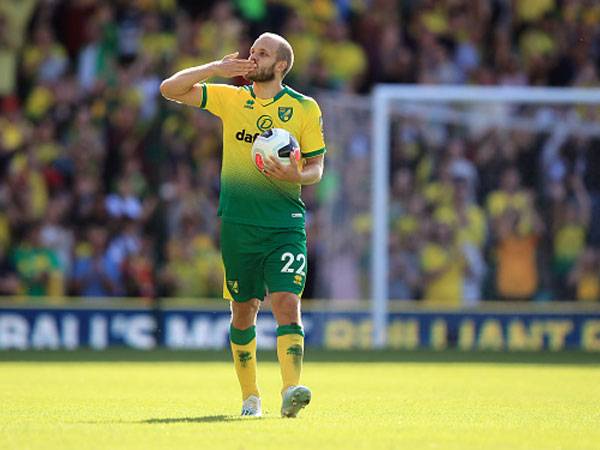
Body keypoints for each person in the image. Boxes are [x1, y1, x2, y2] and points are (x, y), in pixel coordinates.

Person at [160, 32, 326, 418]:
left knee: (287, 302)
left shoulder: (304, 107)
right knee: (244, 310)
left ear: (281, 65)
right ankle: (251, 397)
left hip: (284, 223)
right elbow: (170, 88)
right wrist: (216, 68)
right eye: (252, 51)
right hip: (238, 224)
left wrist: (293, 175)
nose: (253, 57)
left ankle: (290, 391)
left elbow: (316, 168)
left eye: (262, 53)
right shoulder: (232, 98)